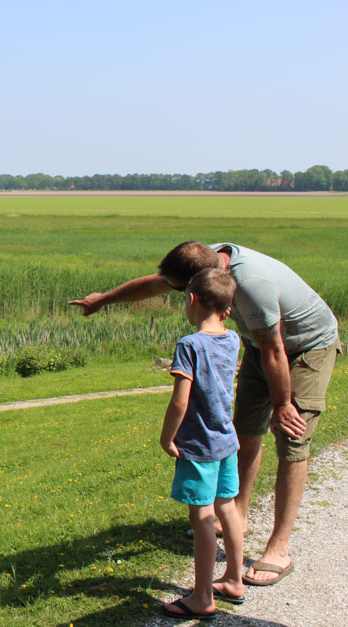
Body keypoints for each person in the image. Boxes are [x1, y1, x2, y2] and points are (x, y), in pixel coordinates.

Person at [69, 241, 340, 587]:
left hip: (304, 346)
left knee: (292, 437)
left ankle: (278, 549)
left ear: (197, 290)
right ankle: (235, 517)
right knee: (244, 430)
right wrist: (104, 298)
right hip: (262, 343)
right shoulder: (203, 259)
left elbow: (276, 351)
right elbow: (156, 282)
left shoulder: (252, 286)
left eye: (183, 294)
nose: (181, 298)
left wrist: (283, 403)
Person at [158, 268, 243, 619]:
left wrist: (167, 437)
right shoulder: (233, 338)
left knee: (203, 517)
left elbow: (180, 400)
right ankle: (234, 579)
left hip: (200, 445)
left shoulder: (189, 345)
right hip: (227, 441)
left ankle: (202, 598)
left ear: (192, 300)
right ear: (225, 308)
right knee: (228, 508)